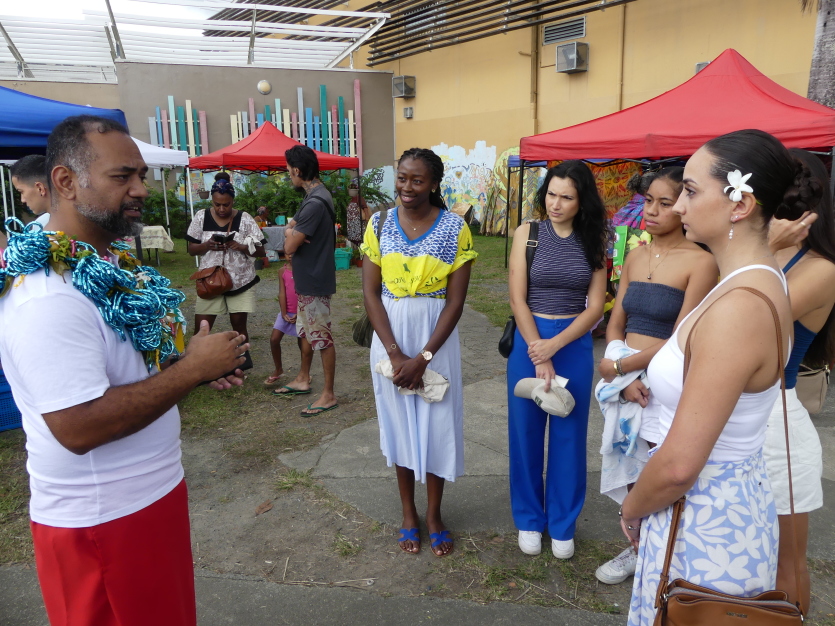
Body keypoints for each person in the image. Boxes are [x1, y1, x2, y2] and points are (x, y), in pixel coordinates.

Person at [0, 115, 249, 625]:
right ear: (66, 181)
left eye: (141, 175)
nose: (140, 189)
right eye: (122, 177)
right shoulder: (48, 298)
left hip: (148, 497)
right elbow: (77, 426)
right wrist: (188, 372)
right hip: (101, 522)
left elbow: (124, 370)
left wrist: (187, 365)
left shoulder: (103, 262)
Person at [621, 129, 810, 625]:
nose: (679, 206)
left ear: (739, 205)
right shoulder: (753, 280)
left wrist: (632, 506)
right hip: (717, 510)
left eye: (690, 190)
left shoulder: (739, 307)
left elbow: (680, 466)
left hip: (704, 522)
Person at [594, 168, 718, 584]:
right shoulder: (635, 255)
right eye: (648, 201)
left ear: (684, 206)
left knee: (660, 468)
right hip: (628, 380)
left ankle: (665, 549)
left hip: (665, 383)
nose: (652, 210)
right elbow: (616, 322)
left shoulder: (702, 262)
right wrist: (621, 377)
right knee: (630, 462)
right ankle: (638, 547)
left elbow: (682, 337)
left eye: (665, 203)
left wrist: (621, 370)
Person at [361, 147, 476, 557]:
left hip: (435, 340)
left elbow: (455, 302)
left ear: (433, 184)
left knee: (437, 424)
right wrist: (396, 355)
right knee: (399, 426)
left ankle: (434, 514)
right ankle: (409, 513)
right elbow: (371, 294)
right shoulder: (378, 223)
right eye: (402, 177)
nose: (407, 187)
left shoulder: (455, 228)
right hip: (390, 336)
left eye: (417, 180)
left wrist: (423, 357)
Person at [507, 160, 609, 559]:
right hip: (529, 338)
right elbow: (517, 298)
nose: (556, 204)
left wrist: (555, 347)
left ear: (582, 201)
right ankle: (529, 519)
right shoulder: (527, 233)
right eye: (551, 194)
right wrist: (538, 348)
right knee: (525, 434)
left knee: (569, 437)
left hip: (573, 342)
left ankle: (563, 523)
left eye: (566, 197)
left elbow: (595, 306)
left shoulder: (594, 239)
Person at [763, 148, 835, 612]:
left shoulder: (820, 269)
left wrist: (764, 248)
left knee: (784, 564)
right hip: (728, 415)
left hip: (776, 428)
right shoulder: (758, 250)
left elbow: (747, 316)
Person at [277, 145, 339, 417]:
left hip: (314, 280)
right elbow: (293, 227)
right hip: (308, 279)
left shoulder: (314, 202)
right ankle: (303, 378)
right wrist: (291, 230)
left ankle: (329, 394)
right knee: (305, 332)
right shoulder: (315, 195)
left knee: (321, 336)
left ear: (297, 170)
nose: (288, 175)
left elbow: (289, 246)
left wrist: (289, 234)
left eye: (288, 170)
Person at [185, 172, 266, 344]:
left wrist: (242, 247)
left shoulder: (244, 219)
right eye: (217, 204)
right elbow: (191, 250)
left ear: (233, 201)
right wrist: (207, 245)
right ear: (211, 201)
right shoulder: (201, 216)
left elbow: (261, 251)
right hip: (209, 280)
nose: (221, 209)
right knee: (201, 329)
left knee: (239, 328)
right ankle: (197, 359)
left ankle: (242, 358)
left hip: (240, 282)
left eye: (226, 205)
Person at [265, 254, 304, 386]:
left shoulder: (304, 269)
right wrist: (283, 312)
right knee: (274, 339)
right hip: (286, 312)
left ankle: (304, 372)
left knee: (302, 344)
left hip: (301, 312)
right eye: (287, 253)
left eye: (293, 253)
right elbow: (282, 292)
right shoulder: (282, 271)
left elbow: (305, 292)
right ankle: (278, 369)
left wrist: (300, 312)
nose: (290, 256)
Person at [10, 154, 51, 227]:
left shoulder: (40, 225)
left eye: (21, 192)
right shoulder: (41, 223)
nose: (22, 200)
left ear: (40, 188)